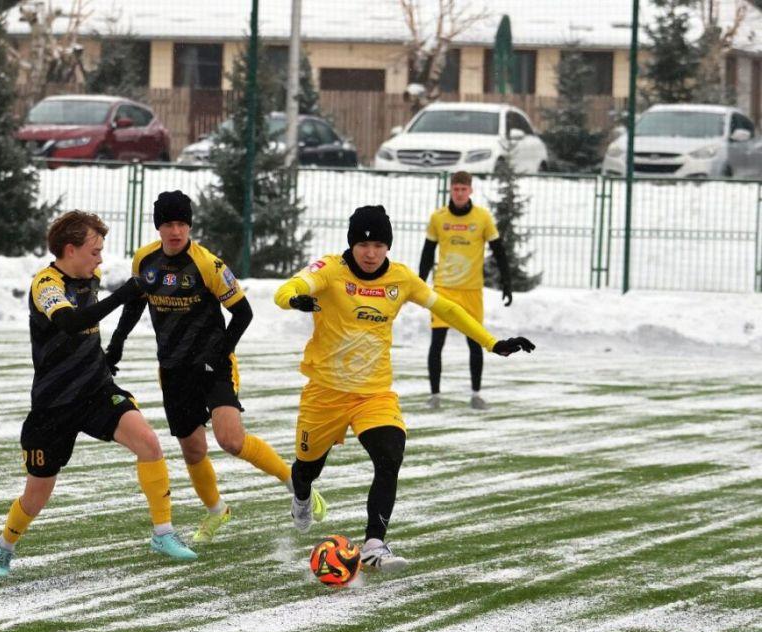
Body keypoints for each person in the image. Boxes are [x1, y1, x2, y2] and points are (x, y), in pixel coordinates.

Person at [275, 205, 534, 571]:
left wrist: (492, 343)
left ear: (388, 246)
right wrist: (295, 299)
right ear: (352, 244)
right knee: (306, 471)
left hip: (374, 393)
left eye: (379, 245)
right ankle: (301, 497)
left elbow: (448, 309)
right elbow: (290, 288)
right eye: (364, 245)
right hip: (326, 392)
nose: (371, 253)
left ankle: (374, 545)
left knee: (390, 454)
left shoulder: (401, 279)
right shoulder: (331, 270)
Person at [0, 210, 197, 577]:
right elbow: (70, 323)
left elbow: (120, 305)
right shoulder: (46, 285)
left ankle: (163, 533)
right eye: (94, 250)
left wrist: (112, 348)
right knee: (37, 494)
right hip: (54, 405)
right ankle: (4, 547)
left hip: (97, 391)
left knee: (149, 444)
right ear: (71, 250)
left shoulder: (91, 276)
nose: (100, 259)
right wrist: (124, 295)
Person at [106, 191, 324, 544]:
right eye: (168, 224)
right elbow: (134, 304)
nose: (175, 231)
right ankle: (216, 511)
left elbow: (243, 313)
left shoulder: (208, 264)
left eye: (181, 224)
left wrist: (219, 354)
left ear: (190, 225)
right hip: (173, 370)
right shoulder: (144, 261)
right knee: (193, 450)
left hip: (213, 365)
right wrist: (116, 344)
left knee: (231, 440)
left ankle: (296, 484)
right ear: (158, 227)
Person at [419, 171, 512, 411]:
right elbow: (428, 252)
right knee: (437, 341)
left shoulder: (482, 217)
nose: (459, 194)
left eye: (463, 189)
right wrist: (420, 282)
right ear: (451, 190)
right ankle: (435, 396)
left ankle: (476, 394)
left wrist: (507, 281)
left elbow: (498, 250)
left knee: (475, 342)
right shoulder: (438, 218)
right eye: (455, 189)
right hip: (444, 289)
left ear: (470, 190)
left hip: (471, 290)